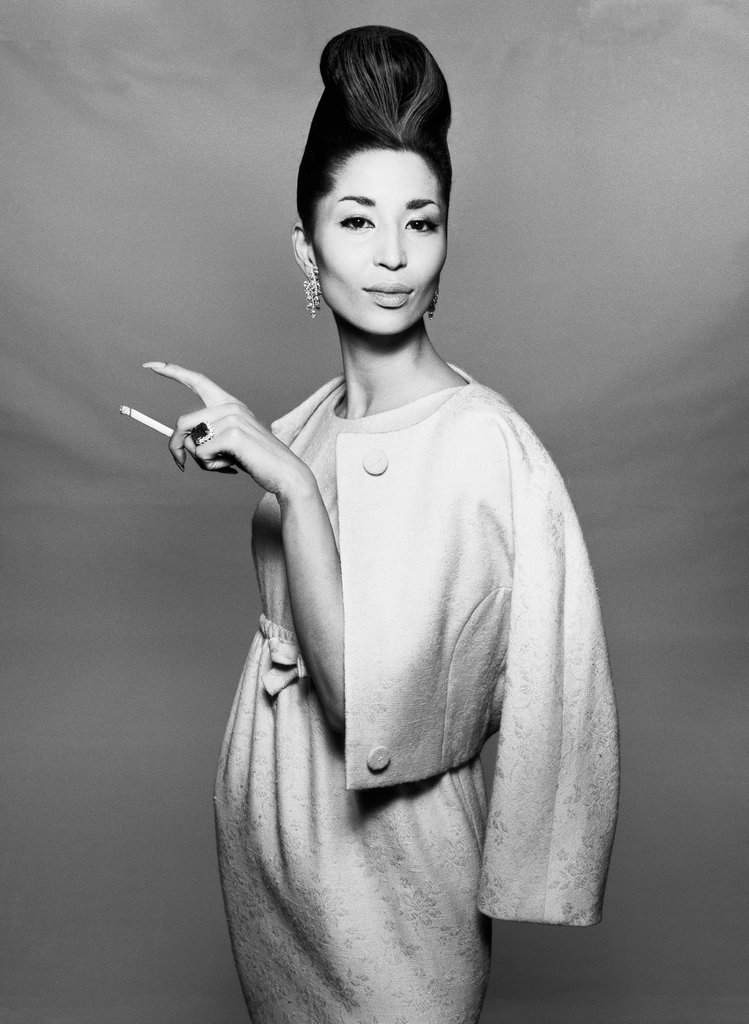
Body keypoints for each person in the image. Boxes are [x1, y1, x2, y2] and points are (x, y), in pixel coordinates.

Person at [144, 24, 620, 1024]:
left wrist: (291, 487)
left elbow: (363, 700)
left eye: (422, 221)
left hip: (394, 879)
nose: (394, 256)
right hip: (272, 849)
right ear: (306, 247)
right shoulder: (310, 419)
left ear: (446, 239)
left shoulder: (481, 442)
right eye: (357, 221)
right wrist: (272, 458)